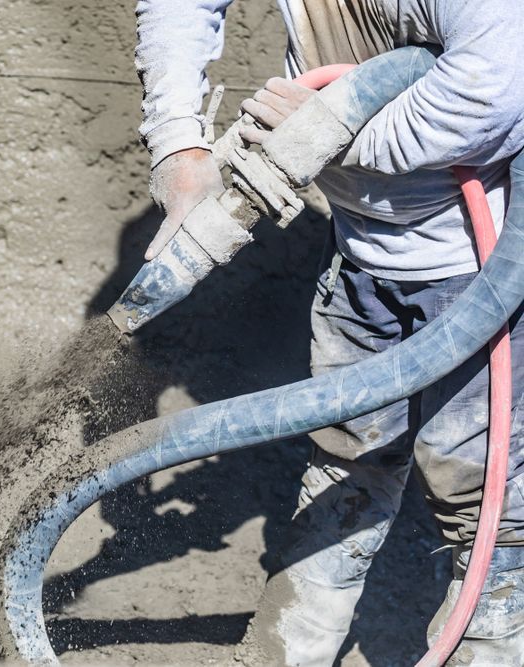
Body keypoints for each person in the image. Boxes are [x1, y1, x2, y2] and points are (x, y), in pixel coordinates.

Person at [134, 1, 524, 664]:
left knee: (485, 499)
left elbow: (493, 90)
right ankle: (288, 648)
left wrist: (337, 129)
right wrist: (178, 141)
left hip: (481, 278)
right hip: (361, 253)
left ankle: (491, 639)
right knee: (344, 457)